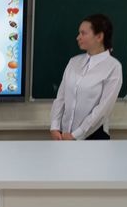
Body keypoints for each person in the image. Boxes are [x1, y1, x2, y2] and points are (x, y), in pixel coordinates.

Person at [50, 13, 122, 141]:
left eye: (83, 33)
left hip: (93, 137)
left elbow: (103, 109)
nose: (78, 37)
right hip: (64, 135)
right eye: (79, 33)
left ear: (99, 36)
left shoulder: (113, 67)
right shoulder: (74, 62)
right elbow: (61, 97)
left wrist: (76, 135)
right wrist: (55, 126)